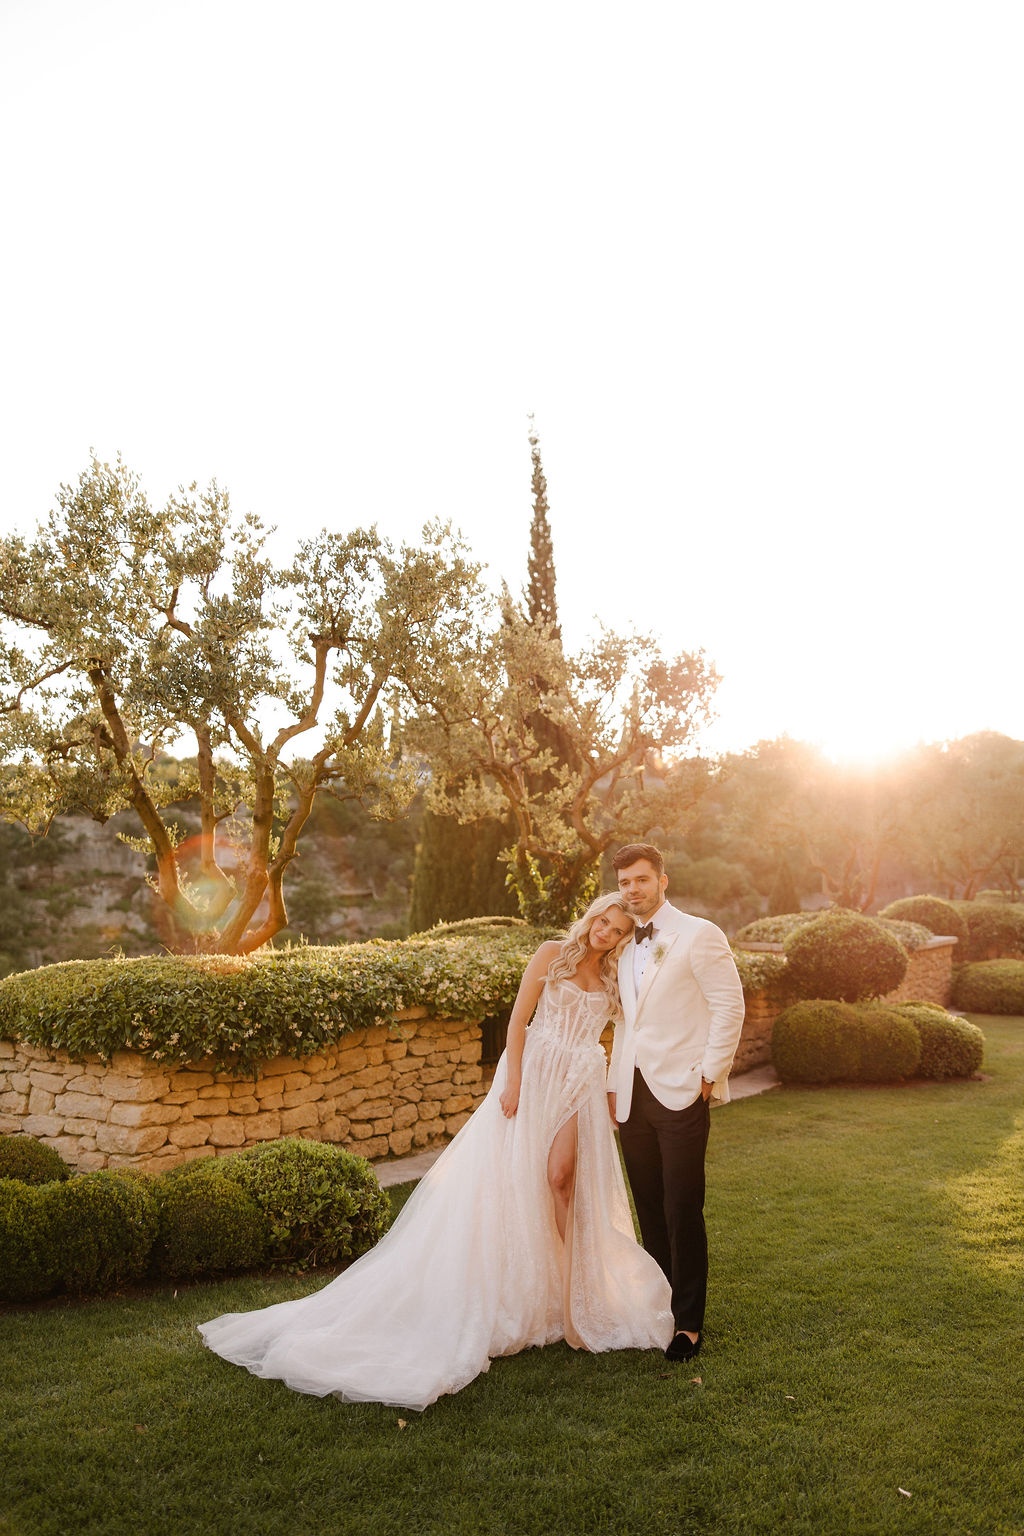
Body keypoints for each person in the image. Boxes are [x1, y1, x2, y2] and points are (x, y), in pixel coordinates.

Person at [199, 893, 673, 1410]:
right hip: (534, 1075)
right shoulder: (550, 953)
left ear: (626, 937)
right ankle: (537, 1292)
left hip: (580, 1077)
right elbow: (517, 1024)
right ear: (592, 917)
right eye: (603, 921)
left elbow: (635, 1025)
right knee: (521, 1179)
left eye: (617, 929)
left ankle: (573, 1301)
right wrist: (511, 1081)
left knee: (563, 1177)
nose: (605, 931)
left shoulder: (615, 975)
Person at [608, 843, 745, 1364]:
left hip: (682, 1087)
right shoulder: (622, 941)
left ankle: (688, 1323)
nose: (633, 890)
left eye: (641, 879)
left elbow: (728, 1005)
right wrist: (613, 1082)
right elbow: (626, 1019)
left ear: (663, 880)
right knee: (648, 1206)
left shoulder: (700, 934)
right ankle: (658, 1307)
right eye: (624, 882)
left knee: (681, 1207)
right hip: (632, 1094)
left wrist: (710, 1073)